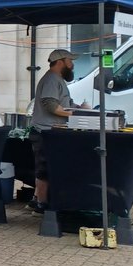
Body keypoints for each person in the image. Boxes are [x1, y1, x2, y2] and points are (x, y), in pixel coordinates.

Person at [28, 48, 86, 211]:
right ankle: (42, 203)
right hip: (44, 132)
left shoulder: (57, 80)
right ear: (61, 62)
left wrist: (79, 108)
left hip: (50, 131)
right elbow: (51, 105)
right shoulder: (51, 79)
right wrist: (75, 114)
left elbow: (63, 103)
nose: (72, 65)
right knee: (43, 169)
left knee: (45, 167)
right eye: (70, 61)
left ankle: (38, 198)